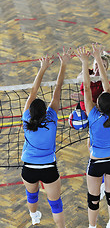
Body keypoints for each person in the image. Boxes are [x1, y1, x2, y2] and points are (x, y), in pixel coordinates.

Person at [21, 48, 72, 227]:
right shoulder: (51, 119)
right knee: (56, 205)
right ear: (46, 112)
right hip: (49, 168)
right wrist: (63, 63)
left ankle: (34, 217)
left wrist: (42, 68)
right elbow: (57, 88)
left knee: (31, 196)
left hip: (29, 168)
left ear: (30, 112)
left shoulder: (26, 118)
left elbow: (33, 90)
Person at [76, 44, 110, 228]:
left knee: (93, 199)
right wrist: (97, 61)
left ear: (98, 105)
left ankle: (92, 226)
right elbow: (107, 87)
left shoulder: (93, 116)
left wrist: (86, 61)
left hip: (96, 163)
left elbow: (87, 90)